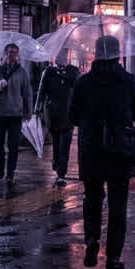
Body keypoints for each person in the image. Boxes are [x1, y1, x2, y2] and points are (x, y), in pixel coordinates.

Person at [69, 35, 135, 269]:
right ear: (117, 53)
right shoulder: (127, 80)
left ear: (96, 53)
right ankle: (113, 256)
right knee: (118, 204)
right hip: (119, 151)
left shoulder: (83, 82)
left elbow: (73, 116)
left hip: (91, 150)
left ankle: (92, 239)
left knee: (92, 199)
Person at [0, 43, 33, 184]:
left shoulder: (21, 72)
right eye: (10, 52)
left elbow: (27, 93)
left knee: (13, 145)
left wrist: (28, 112)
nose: (12, 55)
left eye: (15, 53)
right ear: (5, 53)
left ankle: (10, 173)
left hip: (15, 114)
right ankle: (1, 166)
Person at [37, 49, 80, 186]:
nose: (60, 57)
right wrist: (37, 108)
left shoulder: (73, 71)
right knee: (56, 143)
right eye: (58, 55)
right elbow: (41, 91)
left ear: (67, 56)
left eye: (62, 55)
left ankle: (61, 173)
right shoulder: (49, 71)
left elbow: (79, 90)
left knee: (65, 144)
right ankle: (57, 165)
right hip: (53, 113)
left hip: (68, 113)